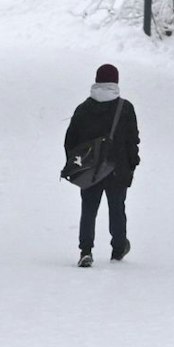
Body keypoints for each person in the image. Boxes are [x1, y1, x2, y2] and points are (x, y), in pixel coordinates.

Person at [64, 62, 140, 268]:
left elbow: (70, 140)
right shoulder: (125, 108)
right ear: (116, 82)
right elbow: (132, 141)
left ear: (96, 81)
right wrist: (132, 165)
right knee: (117, 208)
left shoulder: (83, 108)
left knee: (88, 209)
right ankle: (118, 248)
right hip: (117, 168)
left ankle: (86, 251)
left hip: (90, 170)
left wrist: (76, 165)